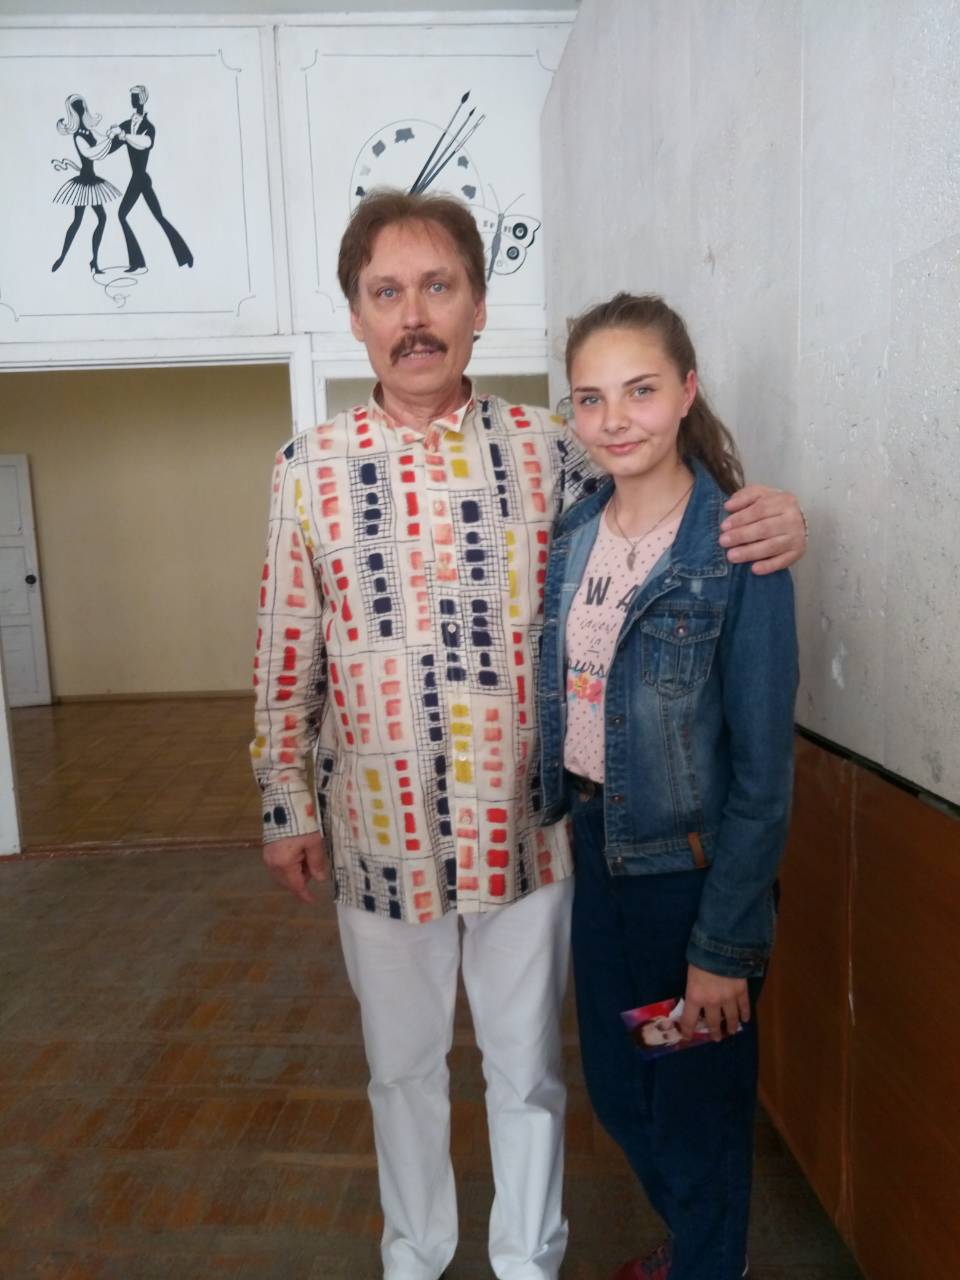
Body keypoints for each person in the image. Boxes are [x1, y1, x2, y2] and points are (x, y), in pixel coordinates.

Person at [250, 193, 806, 1280]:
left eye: (438, 287)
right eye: (387, 293)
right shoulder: (306, 466)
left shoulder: (553, 447)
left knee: (530, 1072)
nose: (414, 315)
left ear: (478, 307)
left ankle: (528, 1259)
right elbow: (284, 641)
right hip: (380, 838)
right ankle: (416, 1254)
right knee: (401, 1071)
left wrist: (774, 516)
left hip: (531, 836)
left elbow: (670, 505)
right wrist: (285, 803)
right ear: (356, 318)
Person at [537, 293, 799, 1280]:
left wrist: (723, 946)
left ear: (687, 391)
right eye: (591, 397)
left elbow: (764, 773)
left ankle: (706, 1260)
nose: (616, 418)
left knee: (694, 1111)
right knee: (622, 1092)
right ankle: (699, 1246)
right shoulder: (575, 533)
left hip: (688, 882)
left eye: (640, 390)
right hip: (599, 861)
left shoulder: (736, 548)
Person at [106, 85, 193, 272]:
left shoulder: (148, 127)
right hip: (139, 179)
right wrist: (108, 137)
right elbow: (110, 148)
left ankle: (146, 261)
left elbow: (146, 143)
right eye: (131, 96)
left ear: (143, 99)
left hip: (140, 179)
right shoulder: (126, 125)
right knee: (147, 216)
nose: (132, 100)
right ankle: (175, 257)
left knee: (129, 215)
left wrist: (123, 135)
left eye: (135, 96)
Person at [51, 95, 122, 274]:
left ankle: (94, 261)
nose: (81, 108)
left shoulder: (89, 131)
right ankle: (62, 256)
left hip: (91, 179)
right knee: (77, 221)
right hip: (84, 183)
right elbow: (91, 152)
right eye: (77, 106)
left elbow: (103, 146)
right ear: (73, 112)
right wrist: (110, 139)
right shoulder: (78, 135)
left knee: (101, 218)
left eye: (82, 105)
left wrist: (114, 137)